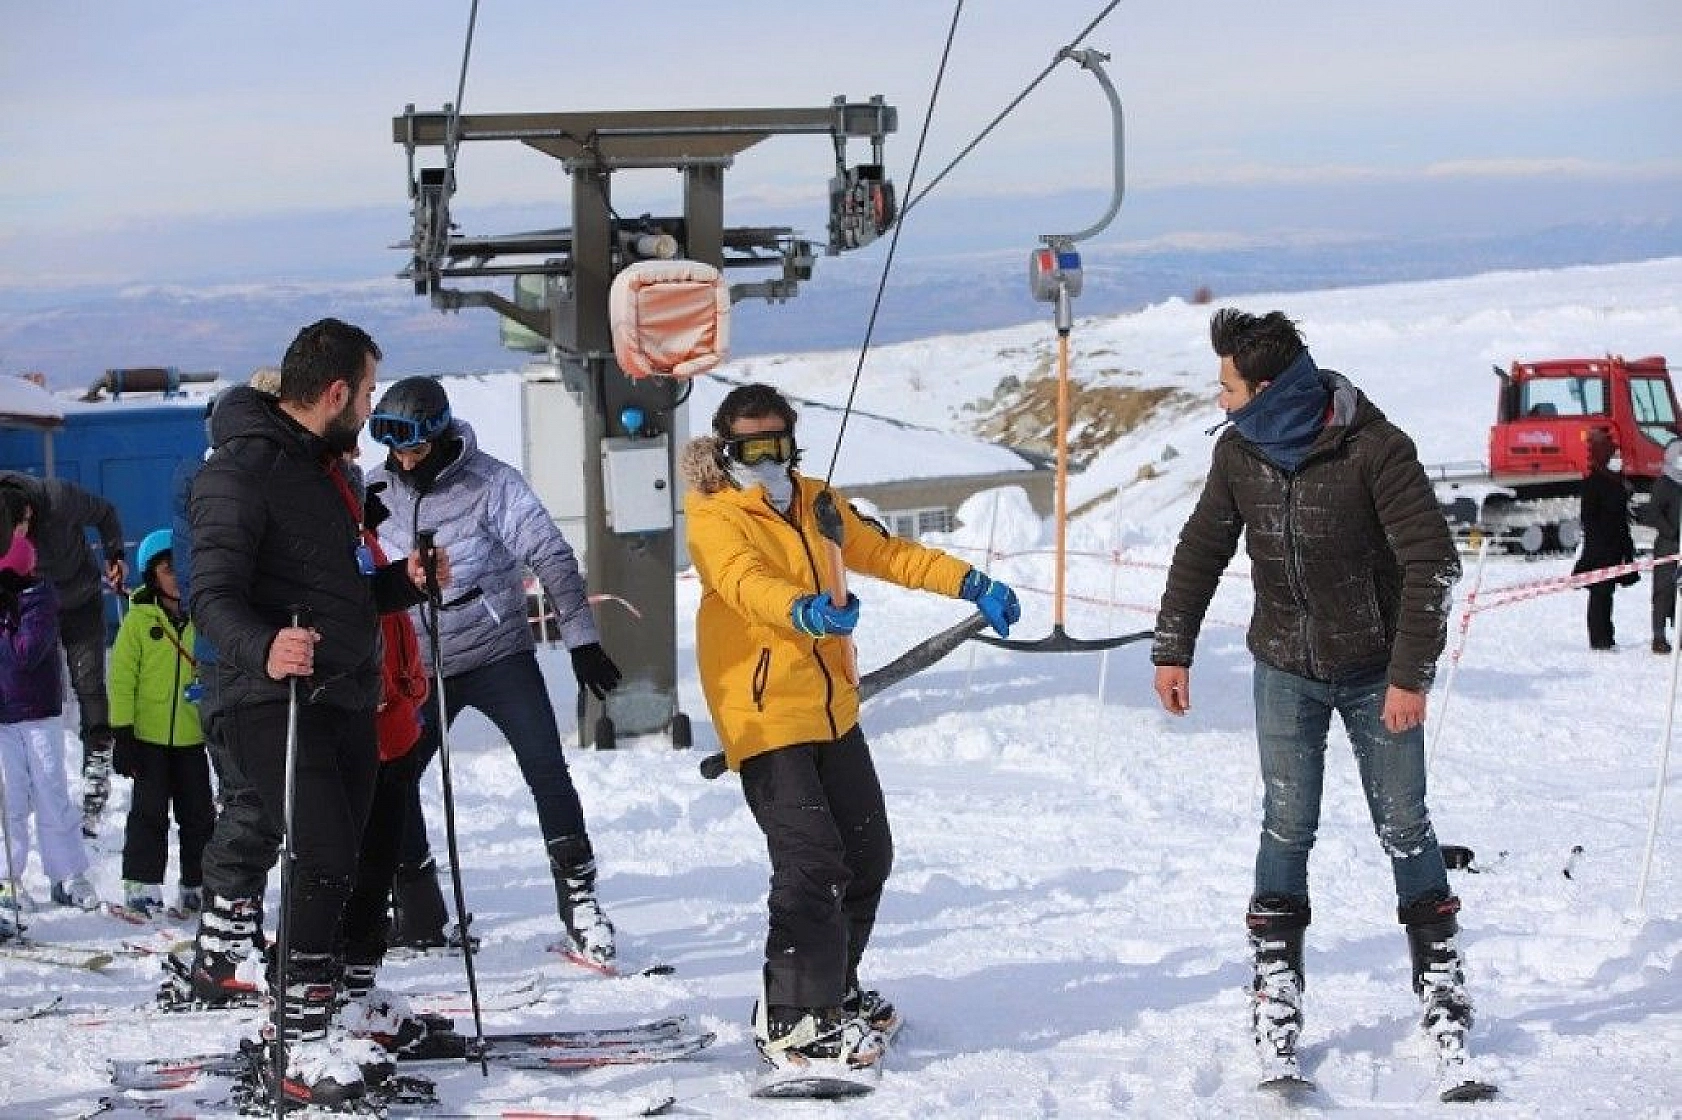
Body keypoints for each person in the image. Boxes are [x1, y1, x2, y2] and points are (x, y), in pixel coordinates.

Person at [1150, 309, 1472, 1082]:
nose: (1218, 399)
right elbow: (1201, 548)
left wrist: (1408, 676)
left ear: (1265, 388)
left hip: (1374, 673)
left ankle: (1441, 987)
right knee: (1286, 826)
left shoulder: (1376, 449)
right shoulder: (1240, 454)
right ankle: (1276, 991)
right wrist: (1173, 646)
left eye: (1226, 385)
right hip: (1286, 668)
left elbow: (1433, 563)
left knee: (1404, 824)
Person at [679, 383, 1022, 1073]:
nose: (765, 461)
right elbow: (744, 582)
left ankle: (833, 989)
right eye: (749, 448)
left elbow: (889, 553)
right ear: (726, 449)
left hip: (830, 705)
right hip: (762, 710)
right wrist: (802, 611)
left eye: (776, 445)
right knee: (811, 862)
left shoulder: (821, 502)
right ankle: (793, 1018)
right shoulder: (716, 516)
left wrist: (970, 582)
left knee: (868, 856)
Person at [186, 318, 446, 1108]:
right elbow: (211, 597)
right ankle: (296, 1038)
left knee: (356, 852)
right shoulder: (239, 472)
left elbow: (345, 593)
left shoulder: (323, 471)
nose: (369, 407)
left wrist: (405, 581)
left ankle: (321, 1017)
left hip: (343, 693)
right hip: (271, 698)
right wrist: (264, 645)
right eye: (367, 392)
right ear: (335, 392)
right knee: (323, 851)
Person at [364, 376, 623, 967]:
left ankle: (581, 901)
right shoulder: (376, 489)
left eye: (415, 448)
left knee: (546, 770)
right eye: (394, 448)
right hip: (420, 667)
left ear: (440, 434)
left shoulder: (492, 482)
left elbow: (550, 553)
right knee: (393, 779)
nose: (404, 461)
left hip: (496, 652)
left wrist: (581, 639)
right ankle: (418, 907)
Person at [0, 470, 127, 836]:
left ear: (28, 512)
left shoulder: (57, 498)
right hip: (26, 608)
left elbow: (105, 512)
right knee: (26, 684)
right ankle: (25, 774)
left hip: (78, 600)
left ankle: (97, 763)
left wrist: (114, 555)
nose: (16, 540)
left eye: (19, 530)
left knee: (88, 683)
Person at [108, 528, 213, 919]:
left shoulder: (202, 620)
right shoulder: (138, 623)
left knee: (199, 815)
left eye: (183, 569)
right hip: (148, 738)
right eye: (169, 570)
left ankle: (196, 884)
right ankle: (142, 885)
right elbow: (121, 680)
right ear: (153, 576)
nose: (177, 577)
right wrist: (122, 733)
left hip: (191, 737)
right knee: (149, 813)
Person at [0, 523, 102, 923]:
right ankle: (9, 877)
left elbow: (27, 652)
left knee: (51, 791)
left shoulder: (38, 600)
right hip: (4, 717)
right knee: (11, 797)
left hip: (38, 712)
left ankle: (67, 875)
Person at [1572, 427, 1637, 651]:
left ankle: (1607, 636)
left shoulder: (1616, 481)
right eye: (1613, 456)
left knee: (1607, 593)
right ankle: (1599, 639)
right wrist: (1600, 543)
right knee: (1599, 593)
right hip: (1599, 549)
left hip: (1616, 545)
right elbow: (1589, 519)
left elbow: (1621, 516)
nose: (1617, 460)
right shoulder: (1593, 483)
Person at [1649, 438, 1682, 654]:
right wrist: (1671, 532)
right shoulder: (1664, 483)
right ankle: (1659, 637)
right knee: (1664, 593)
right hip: (1668, 547)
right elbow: (1654, 512)